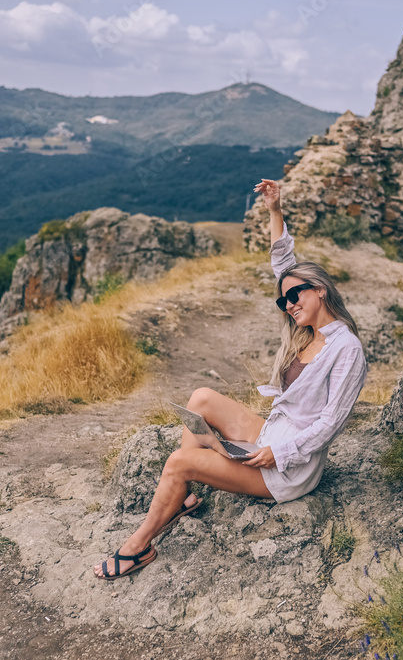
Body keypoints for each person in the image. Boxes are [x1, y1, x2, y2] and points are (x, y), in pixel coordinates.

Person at [94, 177, 368, 580]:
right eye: (284, 299)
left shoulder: (347, 349)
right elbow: (283, 266)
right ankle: (185, 493)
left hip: (290, 468)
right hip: (273, 433)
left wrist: (279, 454)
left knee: (179, 461)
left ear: (321, 291)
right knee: (201, 397)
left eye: (296, 296)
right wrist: (275, 210)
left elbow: (331, 424)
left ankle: (139, 546)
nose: (289, 304)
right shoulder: (304, 329)